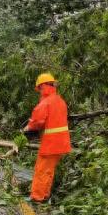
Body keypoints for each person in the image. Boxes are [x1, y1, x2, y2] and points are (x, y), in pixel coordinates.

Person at [22, 73, 72, 202]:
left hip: (51, 143)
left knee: (41, 170)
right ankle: (44, 195)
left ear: (43, 86)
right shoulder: (60, 101)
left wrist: (28, 127)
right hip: (61, 143)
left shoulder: (46, 102)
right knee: (49, 171)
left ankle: (37, 198)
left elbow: (37, 121)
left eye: (39, 88)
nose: (39, 91)